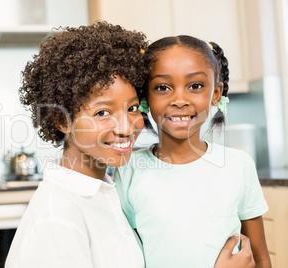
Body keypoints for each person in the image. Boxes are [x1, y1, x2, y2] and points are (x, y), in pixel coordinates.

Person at [5, 22, 256, 268]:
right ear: (63, 120)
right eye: (102, 113)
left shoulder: (108, 192)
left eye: (132, 108)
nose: (126, 128)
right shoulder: (56, 217)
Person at [115, 35, 271, 268]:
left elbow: (260, 259)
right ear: (145, 96)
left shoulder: (238, 165)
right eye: (163, 87)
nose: (180, 99)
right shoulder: (129, 169)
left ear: (216, 94)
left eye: (195, 86)